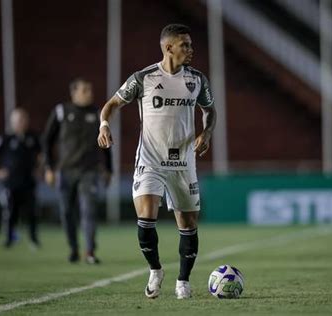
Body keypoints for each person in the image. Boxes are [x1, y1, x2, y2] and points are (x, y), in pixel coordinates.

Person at [97, 24, 216, 299]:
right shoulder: (143, 78)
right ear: (168, 47)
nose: (191, 49)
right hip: (150, 160)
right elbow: (112, 104)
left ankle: (183, 281)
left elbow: (210, 110)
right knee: (146, 217)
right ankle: (155, 270)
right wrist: (104, 125)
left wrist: (207, 132)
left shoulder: (197, 79)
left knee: (187, 225)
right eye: (185, 45)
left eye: (190, 44)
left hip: (184, 162)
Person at [43, 78, 112, 264]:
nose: (89, 93)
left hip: (89, 171)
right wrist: (49, 168)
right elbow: (47, 141)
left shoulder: (97, 113)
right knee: (66, 212)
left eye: (90, 89)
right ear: (73, 93)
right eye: (85, 90)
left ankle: (89, 251)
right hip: (65, 171)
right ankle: (73, 248)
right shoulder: (61, 111)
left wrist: (109, 169)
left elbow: (106, 143)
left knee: (88, 210)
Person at [0, 108, 42, 248]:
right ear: (12, 122)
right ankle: (9, 238)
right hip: (10, 183)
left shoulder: (32, 137)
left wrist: (39, 169)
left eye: (24, 119)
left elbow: (41, 154)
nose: (21, 122)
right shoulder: (4, 138)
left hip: (28, 181)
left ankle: (33, 239)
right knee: (10, 211)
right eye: (18, 120)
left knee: (32, 211)